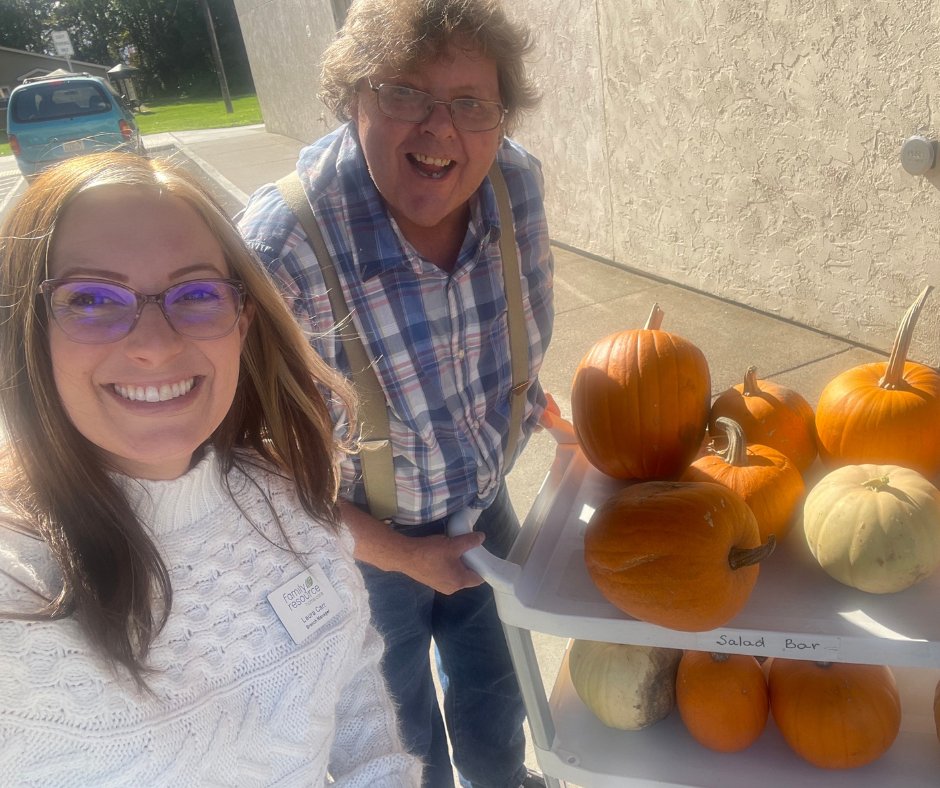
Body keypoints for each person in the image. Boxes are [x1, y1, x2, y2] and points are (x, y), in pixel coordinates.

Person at [0, 152, 422, 787]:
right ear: (24, 327)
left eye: (195, 293)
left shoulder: (286, 496)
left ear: (241, 321)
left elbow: (350, 682)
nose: (157, 343)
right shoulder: (16, 588)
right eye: (90, 298)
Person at [238, 1, 553, 786]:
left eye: (471, 103)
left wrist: (541, 409)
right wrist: (402, 554)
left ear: (500, 115)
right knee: (399, 735)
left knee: (500, 691)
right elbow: (246, 463)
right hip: (356, 545)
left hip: (484, 507)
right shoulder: (281, 246)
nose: (440, 129)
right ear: (353, 100)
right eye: (405, 92)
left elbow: (493, 345)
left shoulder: (514, 185)